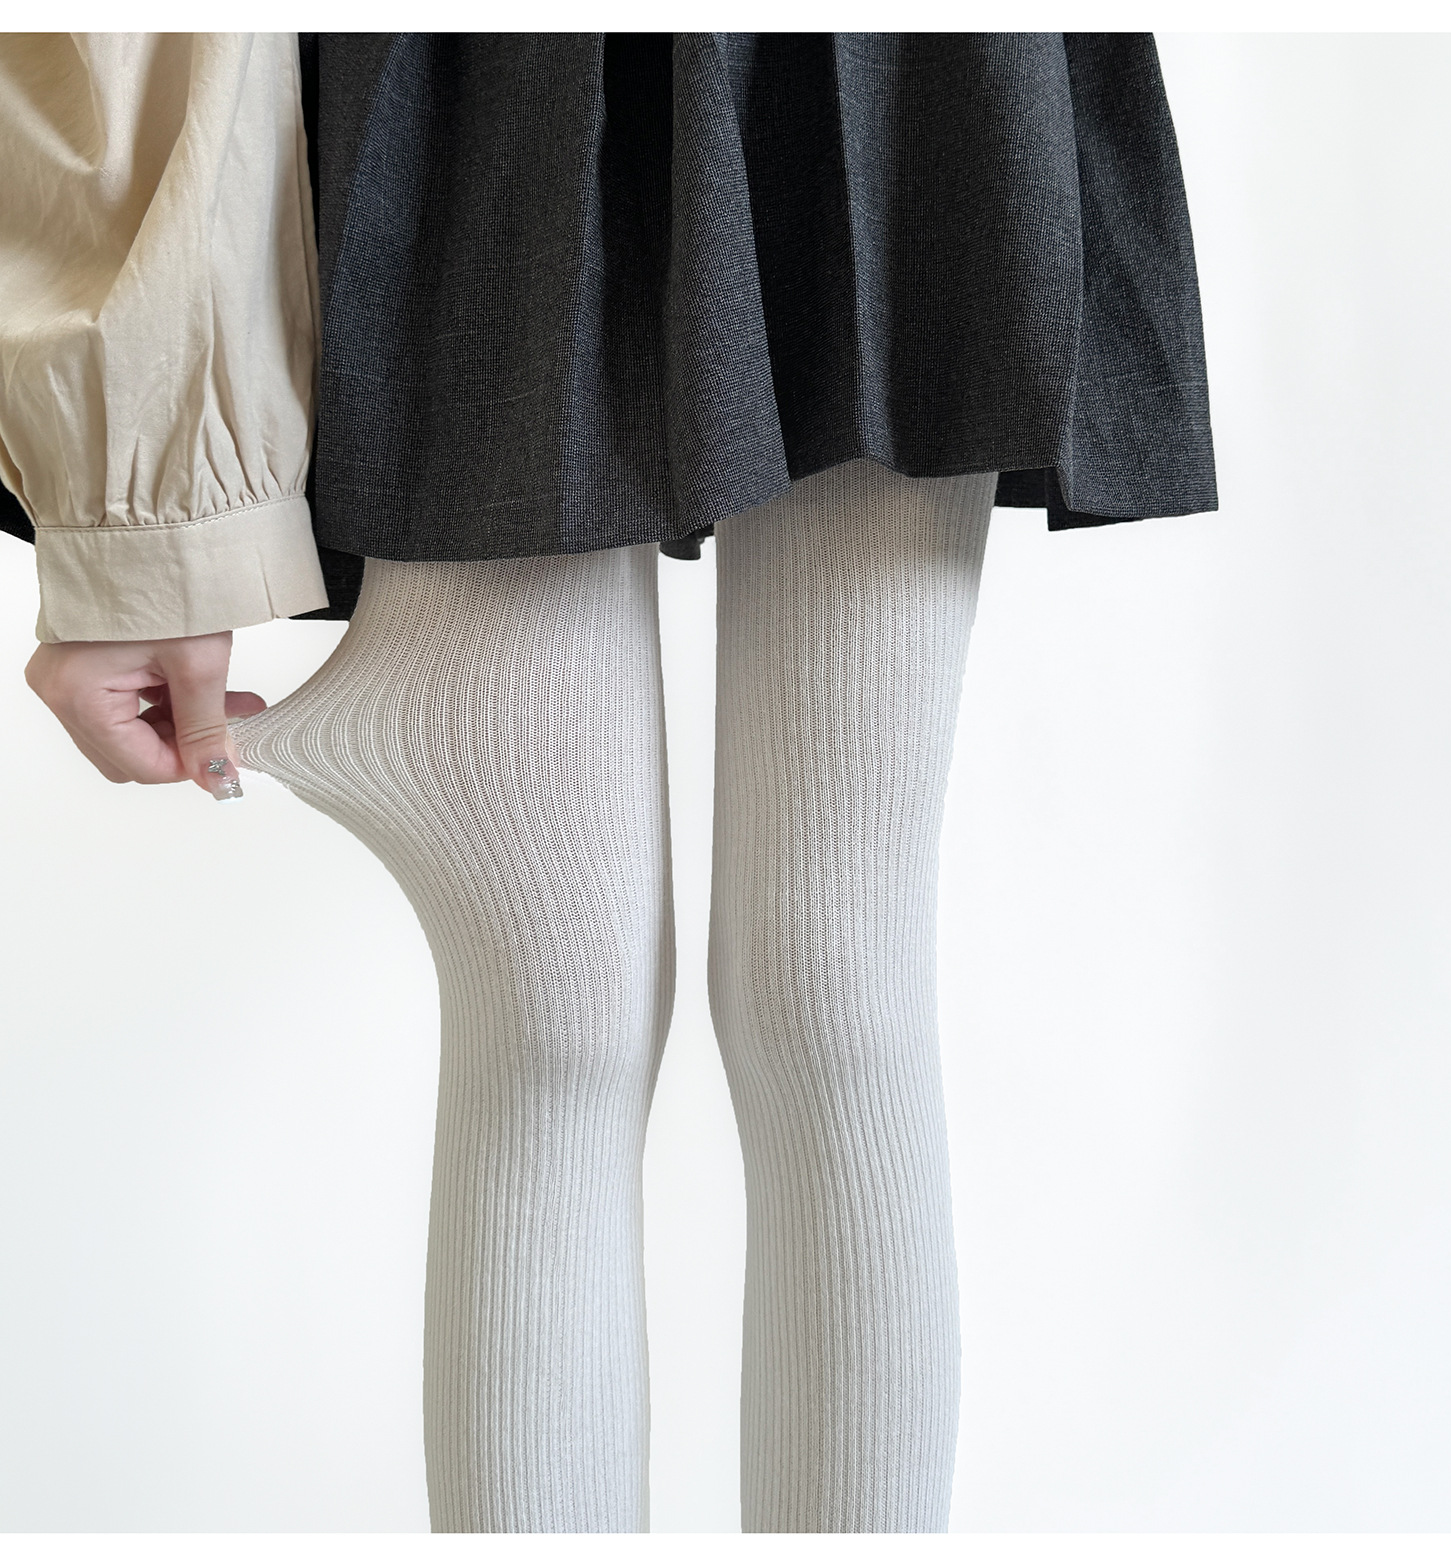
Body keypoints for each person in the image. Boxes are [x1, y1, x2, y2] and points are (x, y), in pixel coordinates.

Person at [0, 32, 1216, 1533]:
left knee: (820, 980)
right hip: (501, 73)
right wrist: (143, 512)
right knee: (592, 993)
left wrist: (144, 515)